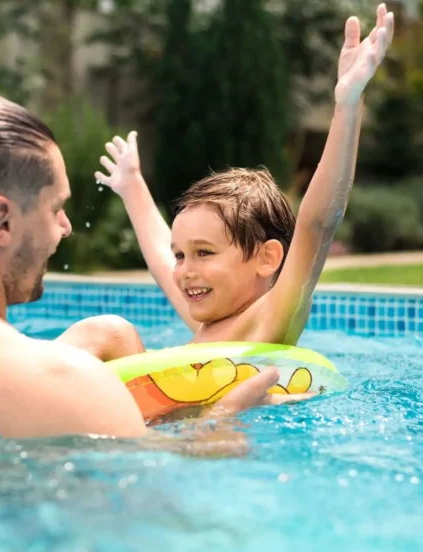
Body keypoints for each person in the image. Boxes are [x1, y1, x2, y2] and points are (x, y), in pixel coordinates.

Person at [0, 91, 307, 440]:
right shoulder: (68, 385)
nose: (66, 228)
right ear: (1, 221)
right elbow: (159, 531)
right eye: (55, 209)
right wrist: (221, 423)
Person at [91, 4, 394, 351]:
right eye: (181, 256)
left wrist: (348, 104)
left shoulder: (265, 321)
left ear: (267, 259)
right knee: (106, 333)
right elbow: (161, 258)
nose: (184, 271)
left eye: (204, 253)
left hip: (225, 403)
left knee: (109, 332)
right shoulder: (210, 321)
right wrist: (133, 187)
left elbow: (318, 223)